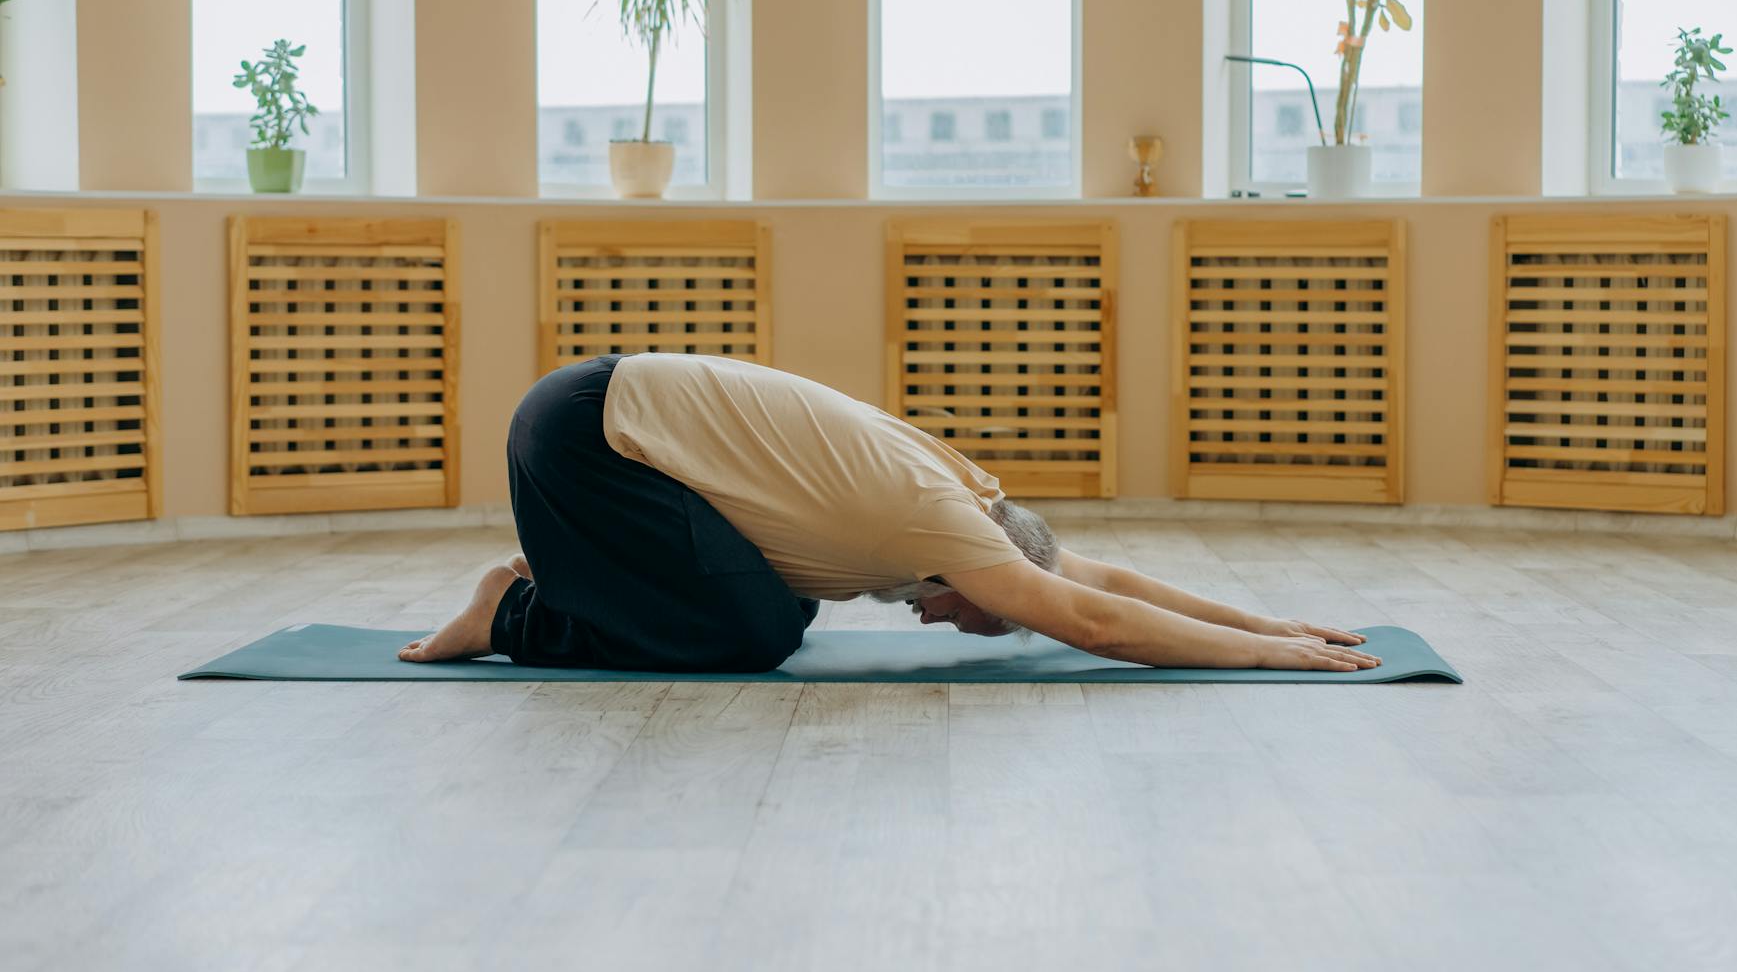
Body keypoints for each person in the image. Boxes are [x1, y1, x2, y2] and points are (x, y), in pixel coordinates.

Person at [399, 354, 1380, 674]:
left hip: (604, 423)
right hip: (585, 440)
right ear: (975, 572)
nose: (944, 619)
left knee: (780, 609)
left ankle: (556, 577)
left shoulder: (983, 503)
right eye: (983, 612)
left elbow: (1098, 577)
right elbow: (1088, 618)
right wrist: (1272, 657)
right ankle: (512, 612)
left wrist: (1265, 615)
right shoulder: (943, 524)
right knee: (752, 628)